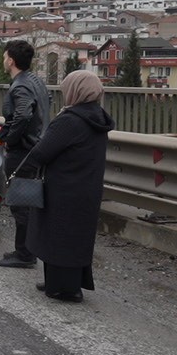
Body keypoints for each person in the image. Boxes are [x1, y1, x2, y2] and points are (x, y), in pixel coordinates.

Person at [24, 70, 115, 302]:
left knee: (56, 236)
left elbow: (43, 151)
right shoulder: (97, 117)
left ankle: (62, 288)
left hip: (63, 188)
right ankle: (67, 284)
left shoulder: (70, 120)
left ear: (76, 91)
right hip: (87, 188)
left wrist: (21, 171)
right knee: (76, 237)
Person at [0, 40, 51, 268]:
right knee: (26, 202)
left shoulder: (20, 86)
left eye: (4, 56)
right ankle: (24, 249)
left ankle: (25, 254)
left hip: (24, 151)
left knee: (21, 203)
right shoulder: (36, 81)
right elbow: (43, 106)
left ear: (11, 60)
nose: (3, 60)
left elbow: (24, 115)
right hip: (36, 147)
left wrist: (8, 137)